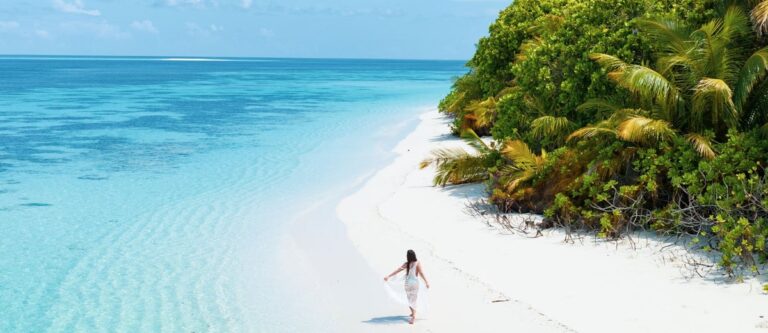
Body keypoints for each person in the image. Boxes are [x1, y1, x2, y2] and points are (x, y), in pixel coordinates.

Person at [384, 249, 430, 324]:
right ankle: (414, 316)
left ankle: (413, 313)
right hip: (414, 283)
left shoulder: (407, 264)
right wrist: (426, 282)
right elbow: (421, 273)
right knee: (414, 299)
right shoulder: (417, 262)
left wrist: (388, 276)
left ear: (408, 256)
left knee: (409, 299)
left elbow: (398, 270)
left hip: (407, 284)